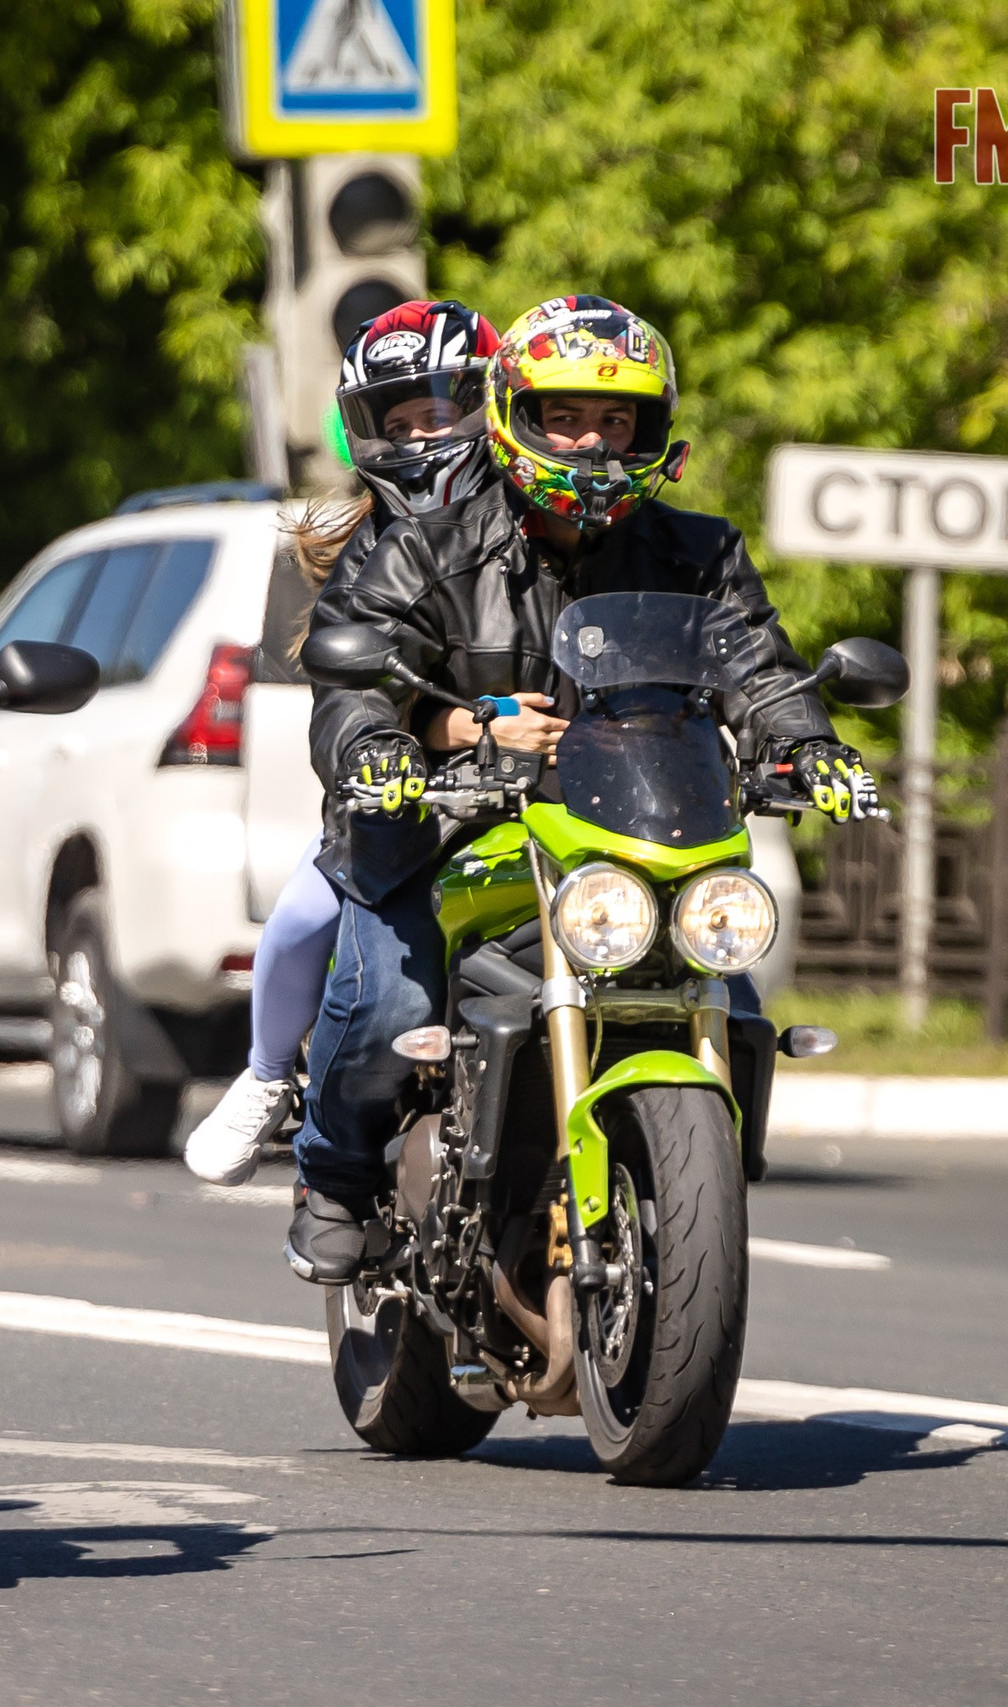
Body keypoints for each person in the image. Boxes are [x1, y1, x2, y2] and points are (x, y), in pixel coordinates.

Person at [282, 295, 881, 1283]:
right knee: (389, 1003)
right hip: (446, 831)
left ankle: (685, 1195)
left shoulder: (698, 553)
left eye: (615, 420)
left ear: (651, 428)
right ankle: (335, 1179)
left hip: (629, 835)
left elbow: (762, 670)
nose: (592, 442)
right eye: (564, 417)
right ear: (513, 415)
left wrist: (808, 747)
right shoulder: (425, 547)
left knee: (730, 998)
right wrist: (381, 750)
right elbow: (355, 684)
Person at [183, 299, 520, 1186]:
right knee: (305, 913)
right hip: (417, 806)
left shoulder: (549, 522)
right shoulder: (375, 551)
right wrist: (441, 730)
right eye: (395, 423)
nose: (419, 437)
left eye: (436, 412)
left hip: (557, 799)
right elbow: (357, 694)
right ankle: (266, 1076)